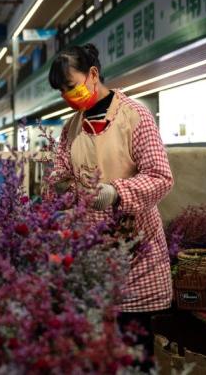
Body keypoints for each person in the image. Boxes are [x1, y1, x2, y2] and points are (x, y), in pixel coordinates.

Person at [48, 43, 173, 370]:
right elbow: (60, 173)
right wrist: (62, 185)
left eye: (70, 85)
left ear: (92, 74)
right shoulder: (71, 127)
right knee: (96, 350)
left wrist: (116, 192)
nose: (67, 95)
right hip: (92, 255)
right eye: (62, 90)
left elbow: (160, 176)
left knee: (133, 347)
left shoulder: (135, 115)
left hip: (135, 252)